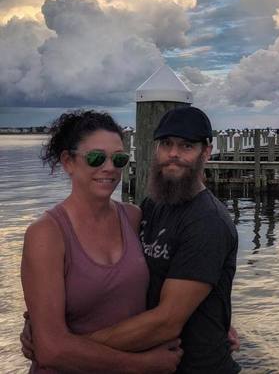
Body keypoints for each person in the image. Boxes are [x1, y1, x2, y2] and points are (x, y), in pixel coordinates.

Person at [20, 110, 183, 373]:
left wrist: (216, 323)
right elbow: (50, 349)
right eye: (96, 158)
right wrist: (142, 364)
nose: (109, 168)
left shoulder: (133, 217)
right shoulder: (47, 234)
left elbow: (175, 274)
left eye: (119, 159)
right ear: (68, 162)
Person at [83, 106, 241, 373]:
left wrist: (74, 346)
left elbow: (166, 322)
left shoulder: (208, 222)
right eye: (166, 144)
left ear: (206, 152)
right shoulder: (154, 204)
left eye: (186, 146)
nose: (173, 154)